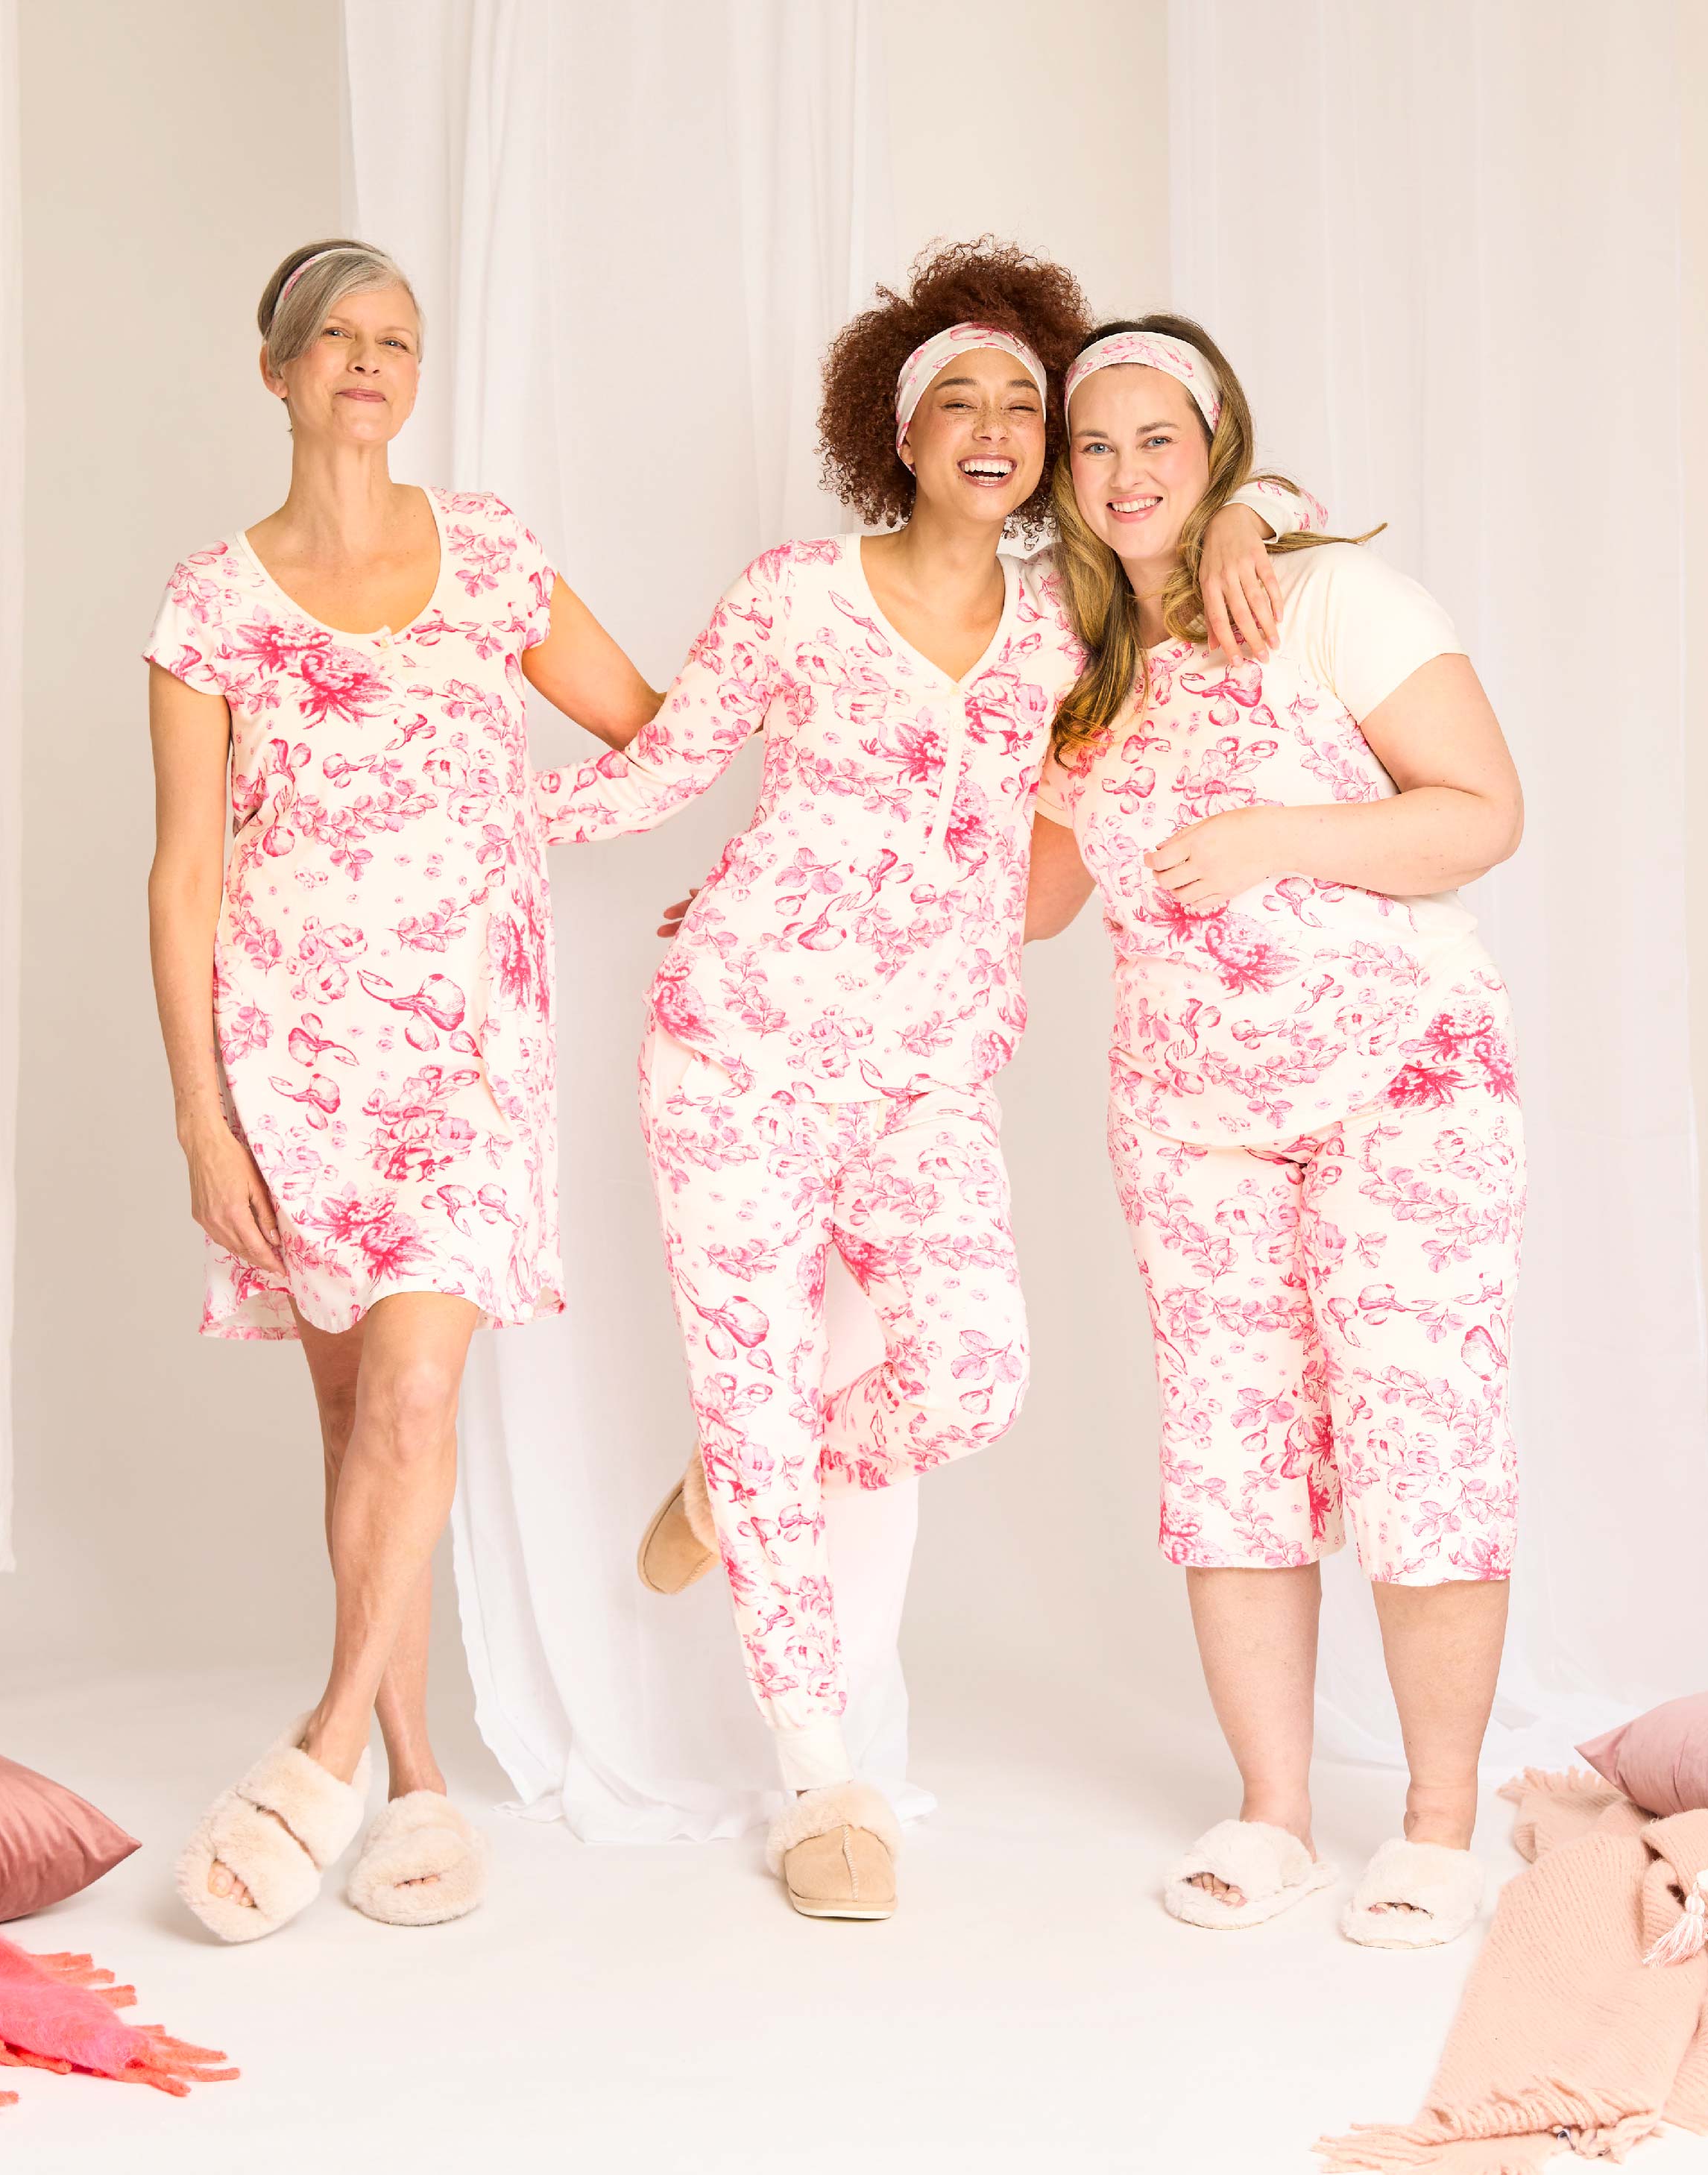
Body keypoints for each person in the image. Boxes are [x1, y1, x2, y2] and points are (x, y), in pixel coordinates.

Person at [538, 244, 1321, 1919]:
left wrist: (1247, 516)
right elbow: (659, 772)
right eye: (954, 400)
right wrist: (468, 822)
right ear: (897, 435)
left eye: (1023, 404)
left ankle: (737, 1479)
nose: (992, 427)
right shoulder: (791, 595)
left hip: (927, 1078)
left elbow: (1238, 528)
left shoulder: (1072, 628)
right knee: (750, 1379)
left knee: (971, 1378)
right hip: (735, 1049)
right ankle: (823, 1778)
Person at [145, 239, 658, 1941]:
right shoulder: (212, 602)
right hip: (291, 1057)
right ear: (279, 370)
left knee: (420, 1396)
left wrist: (524, 823)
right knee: (357, 1420)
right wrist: (203, 1115)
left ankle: (316, 1755)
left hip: (466, 1053)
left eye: (397, 339)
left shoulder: (490, 551)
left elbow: (651, 729)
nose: (369, 361)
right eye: (337, 337)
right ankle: (418, 1774)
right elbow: (184, 875)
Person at [1026, 317, 1525, 1947]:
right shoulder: (1081, 671)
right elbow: (1026, 897)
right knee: (1229, 1459)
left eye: (1159, 440)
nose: (1126, 473)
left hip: (1402, 1089)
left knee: (1421, 1441)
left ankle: (1437, 1827)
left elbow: (1482, 811)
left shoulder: (1328, 601)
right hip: (1191, 1121)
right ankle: (1275, 1813)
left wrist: (1273, 838)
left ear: (1219, 447)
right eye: (1095, 445)